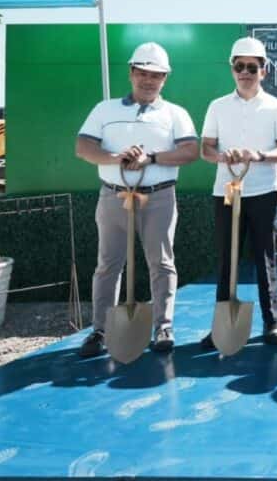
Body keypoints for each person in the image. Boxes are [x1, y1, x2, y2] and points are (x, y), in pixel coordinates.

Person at [75, 42, 199, 357]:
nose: (148, 80)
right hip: (113, 197)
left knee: (161, 262)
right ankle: (100, 330)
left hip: (159, 198)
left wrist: (151, 158)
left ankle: (163, 326)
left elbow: (190, 151)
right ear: (131, 73)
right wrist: (117, 157)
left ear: (165, 79)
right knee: (108, 265)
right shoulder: (105, 109)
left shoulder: (175, 114)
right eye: (142, 73)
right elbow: (83, 148)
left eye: (156, 75)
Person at [199, 37, 277, 349]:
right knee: (227, 257)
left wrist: (259, 155)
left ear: (263, 71)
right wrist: (221, 157)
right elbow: (206, 148)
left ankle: (273, 322)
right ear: (232, 70)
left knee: (264, 256)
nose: (245, 72)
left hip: (263, 190)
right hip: (226, 191)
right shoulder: (217, 106)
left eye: (252, 67)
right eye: (239, 66)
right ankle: (222, 326)